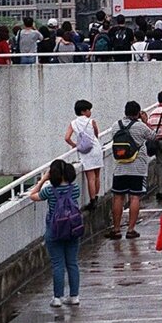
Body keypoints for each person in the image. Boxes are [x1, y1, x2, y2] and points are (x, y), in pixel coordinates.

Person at [29, 158, 82, 307]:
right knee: (72, 263)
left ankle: (57, 298)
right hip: (72, 229)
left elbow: (32, 195)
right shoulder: (75, 188)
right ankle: (74, 296)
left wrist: (43, 180)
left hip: (55, 231)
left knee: (58, 264)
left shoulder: (49, 191)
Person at [108, 101, 154, 239]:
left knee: (118, 197)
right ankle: (131, 229)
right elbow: (153, 136)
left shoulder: (116, 126)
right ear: (138, 112)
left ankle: (116, 229)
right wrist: (146, 121)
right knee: (134, 197)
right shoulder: (141, 126)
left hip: (120, 167)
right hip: (137, 168)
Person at [65, 99, 102, 208]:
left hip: (85, 151)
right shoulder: (91, 121)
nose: (90, 112)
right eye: (88, 110)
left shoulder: (73, 123)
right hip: (95, 148)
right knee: (97, 176)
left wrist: (74, 144)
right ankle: (96, 196)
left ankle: (92, 201)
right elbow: (96, 134)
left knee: (90, 177)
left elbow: (67, 138)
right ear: (83, 111)